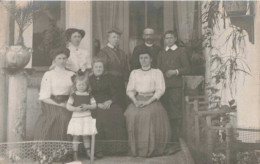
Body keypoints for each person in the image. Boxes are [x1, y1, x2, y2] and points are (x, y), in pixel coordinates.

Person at [124, 50, 173, 157]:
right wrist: (135, 101)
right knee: (130, 114)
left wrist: (147, 102)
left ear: (151, 59)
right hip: (138, 99)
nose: (143, 60)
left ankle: (150, 147)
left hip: (152, 99)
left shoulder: (157, 72)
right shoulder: (134, 72)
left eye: (146, 58)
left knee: (148, 114)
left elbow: (160, 90)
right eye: (141, 58)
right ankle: (135, 148)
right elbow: (130, 90)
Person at [157, 30, 191, 147]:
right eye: (166, 38)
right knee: (165, 112)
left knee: (175, 112)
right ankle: (166, 139)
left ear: (175, 39)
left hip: (175, 87)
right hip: (163, 87)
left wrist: (175, 72)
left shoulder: (181, 51)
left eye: (171, 38)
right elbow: (158, 69)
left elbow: (187, 68)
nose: (169, 40)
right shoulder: (161, 53)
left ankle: (175, 140)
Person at [89, 58, 127, 158]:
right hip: (94, 104)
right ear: (92, 69)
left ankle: (117, 149)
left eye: (100, 67)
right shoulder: (89, 80)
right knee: (98, 118)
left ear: (104, 68)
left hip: (109, 103)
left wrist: (110, 101)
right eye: (96, 67)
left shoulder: (109, 78)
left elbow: (116, 93)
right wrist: (96, 104)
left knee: (116, 114)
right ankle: (98, 150)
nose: (98, 69)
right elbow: (87, 95)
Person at [33, 47, 74, 141]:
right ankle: (55, 150)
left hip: (68, 102)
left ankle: (71, 149)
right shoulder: (49, 74)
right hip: (52, 102)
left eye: (64, 58)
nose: (62, 61)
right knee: (61, 116)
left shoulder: (71, 74)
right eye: (59, 58)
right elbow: (44, 97)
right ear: (54, 60)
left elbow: (74, 92)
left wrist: (69, 103)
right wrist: (60, 104)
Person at [66, 74, 97, 161]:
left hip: (86, 118)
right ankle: (75, 154)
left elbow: (94, 105)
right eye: (79, 85)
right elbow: (68, 106)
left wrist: (88, 106)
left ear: (87, 85)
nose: (81, 87)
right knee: (76, 136)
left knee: (86, 136)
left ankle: (88, 152)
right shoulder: (73, 95)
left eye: (83, 85)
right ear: (75, 85)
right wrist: (75, 108)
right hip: (77, 118)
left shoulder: (89, 94)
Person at [97, 27, 129, 109]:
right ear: (108, 38)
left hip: (121, 84)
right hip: (109, 84)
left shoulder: (122, 53)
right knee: (112, 107)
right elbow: (101, 70)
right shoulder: (103, 52)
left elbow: (125, 69)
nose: (116, 39)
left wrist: (126, 83)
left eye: (118, 37)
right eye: (114, 37)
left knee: (122, 106)